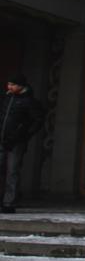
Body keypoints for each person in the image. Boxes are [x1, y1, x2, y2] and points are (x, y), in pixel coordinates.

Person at [0, 73, 42, 213]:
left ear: (20, 86)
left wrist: (24, 135)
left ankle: (9, 203)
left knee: (12, 171)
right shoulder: (7, 99)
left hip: (16, 142)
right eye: (9, 84)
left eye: (12, 84)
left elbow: (37, 120)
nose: (9, 87)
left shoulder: (28, 101)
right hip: (2, 139)